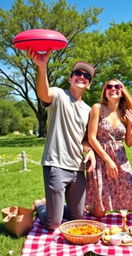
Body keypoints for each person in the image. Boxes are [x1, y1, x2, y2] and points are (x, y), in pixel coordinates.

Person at [27, 49, 96, 230]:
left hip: (77, 168)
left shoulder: (88, 110)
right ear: (70, 78)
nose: (82, 76)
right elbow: (43, 93)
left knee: (78, 216)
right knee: (54, 223)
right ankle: (41, 205)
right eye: (77, 73)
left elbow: (86, 141)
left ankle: (53, 206)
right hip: (56, 164)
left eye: (86, 76)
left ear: (89, 84)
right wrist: (42, 67)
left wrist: (91, 154)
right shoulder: (58, 95)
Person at [85, 79, 132, 217]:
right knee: (99, 213)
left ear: (122, 92)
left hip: (120, 161)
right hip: (101, 159)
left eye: (117, 86)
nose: (113, 88)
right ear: (105, 91)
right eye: (109, 86)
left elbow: (129, 142)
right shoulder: (98, 108)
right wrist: (107, 160)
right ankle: (83, 205)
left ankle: (125, 205)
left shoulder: (126, 112)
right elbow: (91, 138)